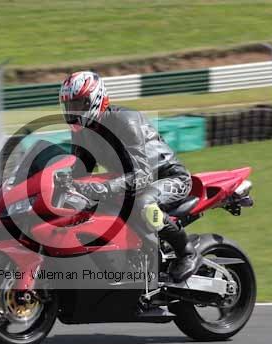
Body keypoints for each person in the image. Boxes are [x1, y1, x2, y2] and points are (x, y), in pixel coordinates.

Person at [59, 71, 201, 282]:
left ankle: (186, 251)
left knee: (143, 204)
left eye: (78, 104)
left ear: (95, 99)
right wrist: (60, 181)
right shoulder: (82, 131)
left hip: (168, 177)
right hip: (130, 181)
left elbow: (143, 175)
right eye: (69, 105)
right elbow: (80, 170)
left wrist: (104, 188)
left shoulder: (125, 120)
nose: (73, 111)